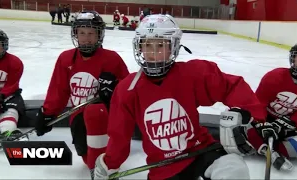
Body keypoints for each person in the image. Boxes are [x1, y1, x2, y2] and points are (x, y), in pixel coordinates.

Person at [94, 14, 278, 180]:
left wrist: (254, 117)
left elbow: (231, 86)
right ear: (139, 47)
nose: (154, 52)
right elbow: (119, 135)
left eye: (161, 45)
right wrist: (109, 164)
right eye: (147, 45)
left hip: (201, 150)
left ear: (173, 47)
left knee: (233, 169)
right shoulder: (127, 89)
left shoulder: (192, 74)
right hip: (163, 167)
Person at [34, 11, 129, 179]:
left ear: (99, 34)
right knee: (87, 156)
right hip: (78, 117)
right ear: (75, 34)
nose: (86, 38)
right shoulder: (66, 59)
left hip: (107, 117)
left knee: (95, 112)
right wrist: (47, 113)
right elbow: (59, 90)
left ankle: (101, 166)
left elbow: (128, 91)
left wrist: (114, 87)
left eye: (91, 33)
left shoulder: (112, 59)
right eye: (82, 33)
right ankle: (98, 160)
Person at [247, 41, 297, 171]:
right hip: (266, 119)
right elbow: (259, 103)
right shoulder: (274, 76)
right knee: (237, 119)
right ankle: (269, 150)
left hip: (288, 124)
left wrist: (291, 122)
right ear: (293, 58)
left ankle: (266, 148)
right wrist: (262, 123)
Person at [0, 29, 28, 146]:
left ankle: (7, 132)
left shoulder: (14, 62)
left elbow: (12, 84)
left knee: (10, 109)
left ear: (4, 46)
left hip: (8, 95)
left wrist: (1, 96)